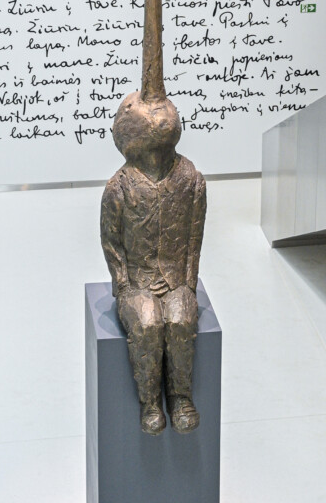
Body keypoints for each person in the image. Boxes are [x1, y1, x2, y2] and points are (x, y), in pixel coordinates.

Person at [100, 89, 207, 434]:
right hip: (137, 282)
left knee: (180, 318)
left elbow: (193, 238)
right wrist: (123, 285)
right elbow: (111, 241)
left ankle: (180, 397)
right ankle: (149, 402)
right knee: (147, 323)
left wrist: (188, 283)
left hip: (175, 279)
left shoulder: (190, 179)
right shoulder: (119, 187)